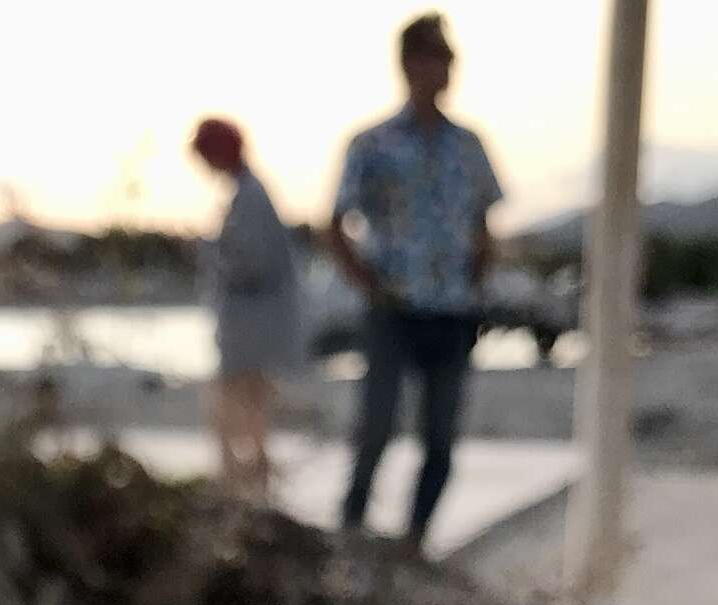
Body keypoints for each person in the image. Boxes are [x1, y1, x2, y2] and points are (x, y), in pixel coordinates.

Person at [330, 12, 503, 551]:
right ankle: (351, 533)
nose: (443, 70)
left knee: (441, 437)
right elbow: (335, 222)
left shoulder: (468, 145)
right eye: (433, 58)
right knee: (375, 428)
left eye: (448, 60)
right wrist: (367, 283)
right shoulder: (373, 144)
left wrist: (476, 280)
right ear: (408, 64)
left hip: (451, 311)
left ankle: (415, 540)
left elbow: (483, 222)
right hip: (395, 308)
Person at [191, 117, 303, 499]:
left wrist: (206, 252)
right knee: (249, 407)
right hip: (255, 325)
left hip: (251, 327)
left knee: (235, 406)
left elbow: (251, 264)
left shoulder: (250, 197)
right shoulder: (248, 194)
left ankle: (238, 484)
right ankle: (250, 482)